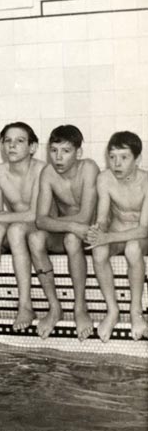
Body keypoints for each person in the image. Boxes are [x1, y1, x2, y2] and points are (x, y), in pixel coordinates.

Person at [0, 123, 45, 343]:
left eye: (19, 141)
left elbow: (34, 214)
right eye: (7, 141)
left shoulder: (41, 170)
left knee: (12, 229)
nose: (12, 146)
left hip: (39, 228)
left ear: (32, 147)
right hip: (16, 226)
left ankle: (25, 305)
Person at [28, 125, 99, 341]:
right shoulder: (48, 173)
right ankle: (54, 307)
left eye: (65, 151)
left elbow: (85, 218)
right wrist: (70, 225)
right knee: (34, 238)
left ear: (78, 153)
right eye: (54, 150)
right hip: (69, 231)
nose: (58, 157)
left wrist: (63, 225)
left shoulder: (89, 168)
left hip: (92, 236)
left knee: (71, 239)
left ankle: (80, 307)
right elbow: (40, 220)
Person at [86, 131, 148, 341]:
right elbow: (103, 218)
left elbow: (144, 230)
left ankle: (135, 312)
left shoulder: (147, 182)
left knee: (132, 247)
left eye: (124, 157)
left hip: (141, 238)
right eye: (112, 157)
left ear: (137, 159)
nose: (116, 163)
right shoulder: (104, 179)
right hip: (115, 232)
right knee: (99, 249)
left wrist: (107, 237)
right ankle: (112, 310)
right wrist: (98, 230)